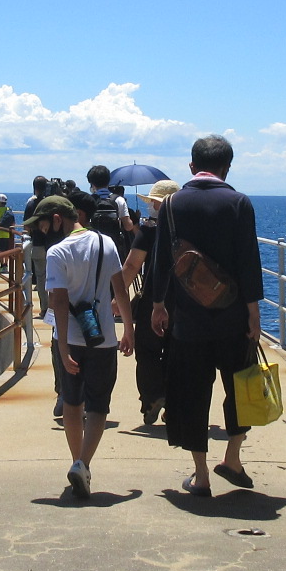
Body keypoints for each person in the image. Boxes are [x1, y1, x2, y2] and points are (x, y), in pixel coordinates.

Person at [150, 135, 265, 495]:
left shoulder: (170, 206)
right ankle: (232, 457)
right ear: (227, 167)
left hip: (188, 322)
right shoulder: (239, 203)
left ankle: (200, 474)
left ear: (191, 166)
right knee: (240, 387)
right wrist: (253, 312)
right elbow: (249, 262)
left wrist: (157, 305)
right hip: (232, 319)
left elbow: (162, 264)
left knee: (191, 393)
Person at [33, 188, 134, 498]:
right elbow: (120, 289)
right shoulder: (106, 243)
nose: (41, 231)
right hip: (103, 338)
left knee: (72, 405)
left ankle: (77, 462)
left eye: (44, 224)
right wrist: (128, 329)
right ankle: (83, 463)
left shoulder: (56, 253)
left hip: (71, 341)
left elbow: (59, 303)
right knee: (99, 405)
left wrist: (61, 348)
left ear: (57, 219)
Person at [119, 178, 177, 429]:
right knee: (178, 354)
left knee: (147, 350)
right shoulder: (188, 229)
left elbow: (132, 265)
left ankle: (153, 397)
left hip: (152, 298)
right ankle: (175, 405)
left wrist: (116, 297)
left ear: (157, 203)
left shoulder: (150, 229)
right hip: (185, 302)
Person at [84, 165, 132, 256]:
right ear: (108, 181)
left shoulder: (87, 201)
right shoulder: (119, 200)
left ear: (92, 183)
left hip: (93, 247)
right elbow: (128, 226)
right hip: (113, 246)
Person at [22, 174, 50, 314]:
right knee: (56, 277)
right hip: (53, 246)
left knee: (41, 278)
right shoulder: (52, 204)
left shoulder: (31, 204)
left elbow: (26, 227)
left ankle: (45, 307)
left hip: (38, 246)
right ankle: (55, 307)